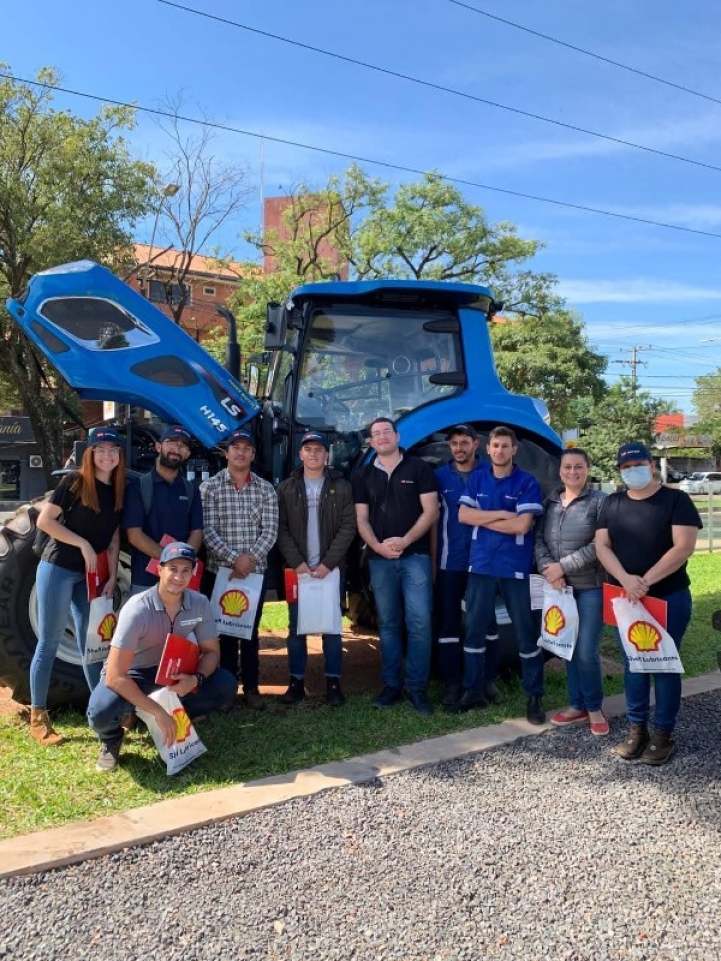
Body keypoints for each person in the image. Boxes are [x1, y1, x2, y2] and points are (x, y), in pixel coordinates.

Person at [86, 542, 237, 772]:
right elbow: (115, 677)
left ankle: (175, 716)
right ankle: (112, 739)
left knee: (225, 684)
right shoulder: (137, 608)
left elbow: (212, 651)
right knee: (100, 711)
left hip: (171, 674)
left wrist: (195, 679)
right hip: (132, 674)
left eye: (186, 570)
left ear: (193, 573)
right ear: (160, 570)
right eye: (173, 568)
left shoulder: (200, 603)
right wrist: (158, 712)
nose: (179, 576)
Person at [595, 441, 702, 765]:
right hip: (625, 599)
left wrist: (645, 582)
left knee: (665, 666)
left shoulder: (676, 500)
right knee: (634, 666)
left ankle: (662, 736)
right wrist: (627, 581)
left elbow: (683, 547)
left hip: (667, 597)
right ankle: (637, 730)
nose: (632, 472)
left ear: (652, 465)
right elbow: (602, 546)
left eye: (637, 465)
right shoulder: (611, 503)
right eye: (625, 468)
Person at [29, 427, 125, 746]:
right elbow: (45, 521)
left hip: (90, 577)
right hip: (57, 568)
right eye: (101, 450)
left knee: (92, 647)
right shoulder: (74, 482)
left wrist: (111, 575)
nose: (107, 455)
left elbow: (112, 536)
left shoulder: (120, 490)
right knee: (50, 642)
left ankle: (99, 715)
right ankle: (38, 716)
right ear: (90, 453)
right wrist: (82, 543)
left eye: (113, 450)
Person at [458, 426, 546, 724]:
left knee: (525, 633)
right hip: (481, 565)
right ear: (488, 448)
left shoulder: (527, 482)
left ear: (514, 450)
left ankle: (534, 696)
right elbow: (463, 516)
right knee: (474, 630)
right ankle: (474, 690)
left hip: (514, 567)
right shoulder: (478, 478)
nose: (499, 451)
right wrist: (504, 515)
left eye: (505, 446)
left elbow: (522, 527)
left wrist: (485, 520)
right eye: (495, 446)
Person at [352, 417, 439, 714]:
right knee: (388, 624)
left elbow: (430, 512)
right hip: (380, 561)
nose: (382, 437)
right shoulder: (362, 475)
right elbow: (361, 518)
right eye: (376, 434)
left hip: (414, 557)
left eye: (387, 432)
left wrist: (404, 541)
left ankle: (416, 687)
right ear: (371, 442)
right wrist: (377, 547)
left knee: (420, 622)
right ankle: (391, 685)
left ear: (397, 436)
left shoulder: (419, 469)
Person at [276, 431, 357, 706]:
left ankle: (333, 683)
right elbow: (281, 529)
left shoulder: (342, 486)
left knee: (332, 628)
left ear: (326, 455)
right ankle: (296, 683)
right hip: (298, 571)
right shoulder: (286, 488)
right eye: (308, 449)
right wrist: (297, 562)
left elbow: (348, 527)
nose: (313, 454)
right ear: (301, 454)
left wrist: (328, 563)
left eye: (319, 450)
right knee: (297, 627)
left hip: (330, 571)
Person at [200, 429, 279, 710]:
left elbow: (270, 531)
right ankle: (227, 690)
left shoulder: (265, 489)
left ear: (253, 455)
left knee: (249, 633)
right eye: (236, 447)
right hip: (219, 572)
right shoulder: (208, 488)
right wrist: (235, 559)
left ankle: (253, 689)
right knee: (223, 633)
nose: (241, 452)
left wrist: (248, 561)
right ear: (227, 453)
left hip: (253, 575)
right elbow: (207, 531)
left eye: (247, 448)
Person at [535, 449, 609, 735]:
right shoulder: (550, 502)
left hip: (589, 587)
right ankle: (576, 705)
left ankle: (594, 707)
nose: (573, 472)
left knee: (586, 651)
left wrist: (562, 567)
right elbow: (538, 539)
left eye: (579, 467)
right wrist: (548, 569)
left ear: (587, 469)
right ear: (560, 470)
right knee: (567, 648)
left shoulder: (600, 503)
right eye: (568, 467)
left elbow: (599, 546)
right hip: (558, 588)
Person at [434, 424, 499, 713]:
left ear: (476, 444)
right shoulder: (439, 477)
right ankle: (452, 681)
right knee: (448, 622)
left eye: (464, 443)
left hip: (484, 561)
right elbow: (433, 521)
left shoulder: (490, 473)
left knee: (486, 622)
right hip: (451, 560)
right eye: (454, 444)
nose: (459, 448)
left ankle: (487, 680)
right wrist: (434, 562)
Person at [123, 424, 203, 595]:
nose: (176, 449)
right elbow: (134, 535)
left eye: (182, 446)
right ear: (158, 447)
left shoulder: (191, 490)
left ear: (187, 454)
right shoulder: (138, 487)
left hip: (181, 582)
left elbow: (197, 532)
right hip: (145, 581)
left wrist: (180, 564)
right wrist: (171, 560)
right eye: (171, 443)